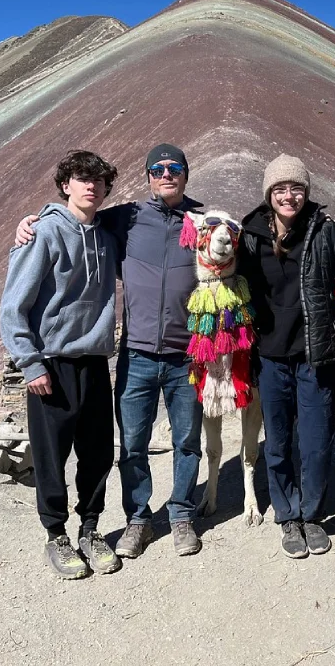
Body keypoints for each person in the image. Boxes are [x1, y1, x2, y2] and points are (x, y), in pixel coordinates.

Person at [15, 144, 204, 558]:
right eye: (158, 168)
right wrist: (34, 219)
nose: (167, 174)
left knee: (168, 443)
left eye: (175, 168)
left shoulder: (199, 224)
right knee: (123, 445)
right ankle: (125, 522)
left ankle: (174, 516)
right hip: (123, 355)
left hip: (174, 356)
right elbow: (73, 221)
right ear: (149, 177)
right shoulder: (125, 218)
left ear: (187, 174)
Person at [239, 154, 335, 558]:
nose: (289, 196)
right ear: (269, 193)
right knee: (276, 443)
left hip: (316, 356)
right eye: (280, 189)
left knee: (314, 442)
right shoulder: (251, 233)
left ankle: (312, 515)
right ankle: (287, 516)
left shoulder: (324, 230)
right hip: (270, 356)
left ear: (306, 192)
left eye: (296, 188)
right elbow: (231, 278)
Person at [0, 150, 121, 579]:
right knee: (52, 456)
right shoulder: (44, 233)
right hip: (51, 363)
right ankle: (56, 534)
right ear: (65, 185)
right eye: (81, 178)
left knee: (97, 452)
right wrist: (30, 364)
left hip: (93, 361)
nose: (91, 186)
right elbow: (13, 306)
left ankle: (91, 527)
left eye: (99, 180)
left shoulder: (107, 237)